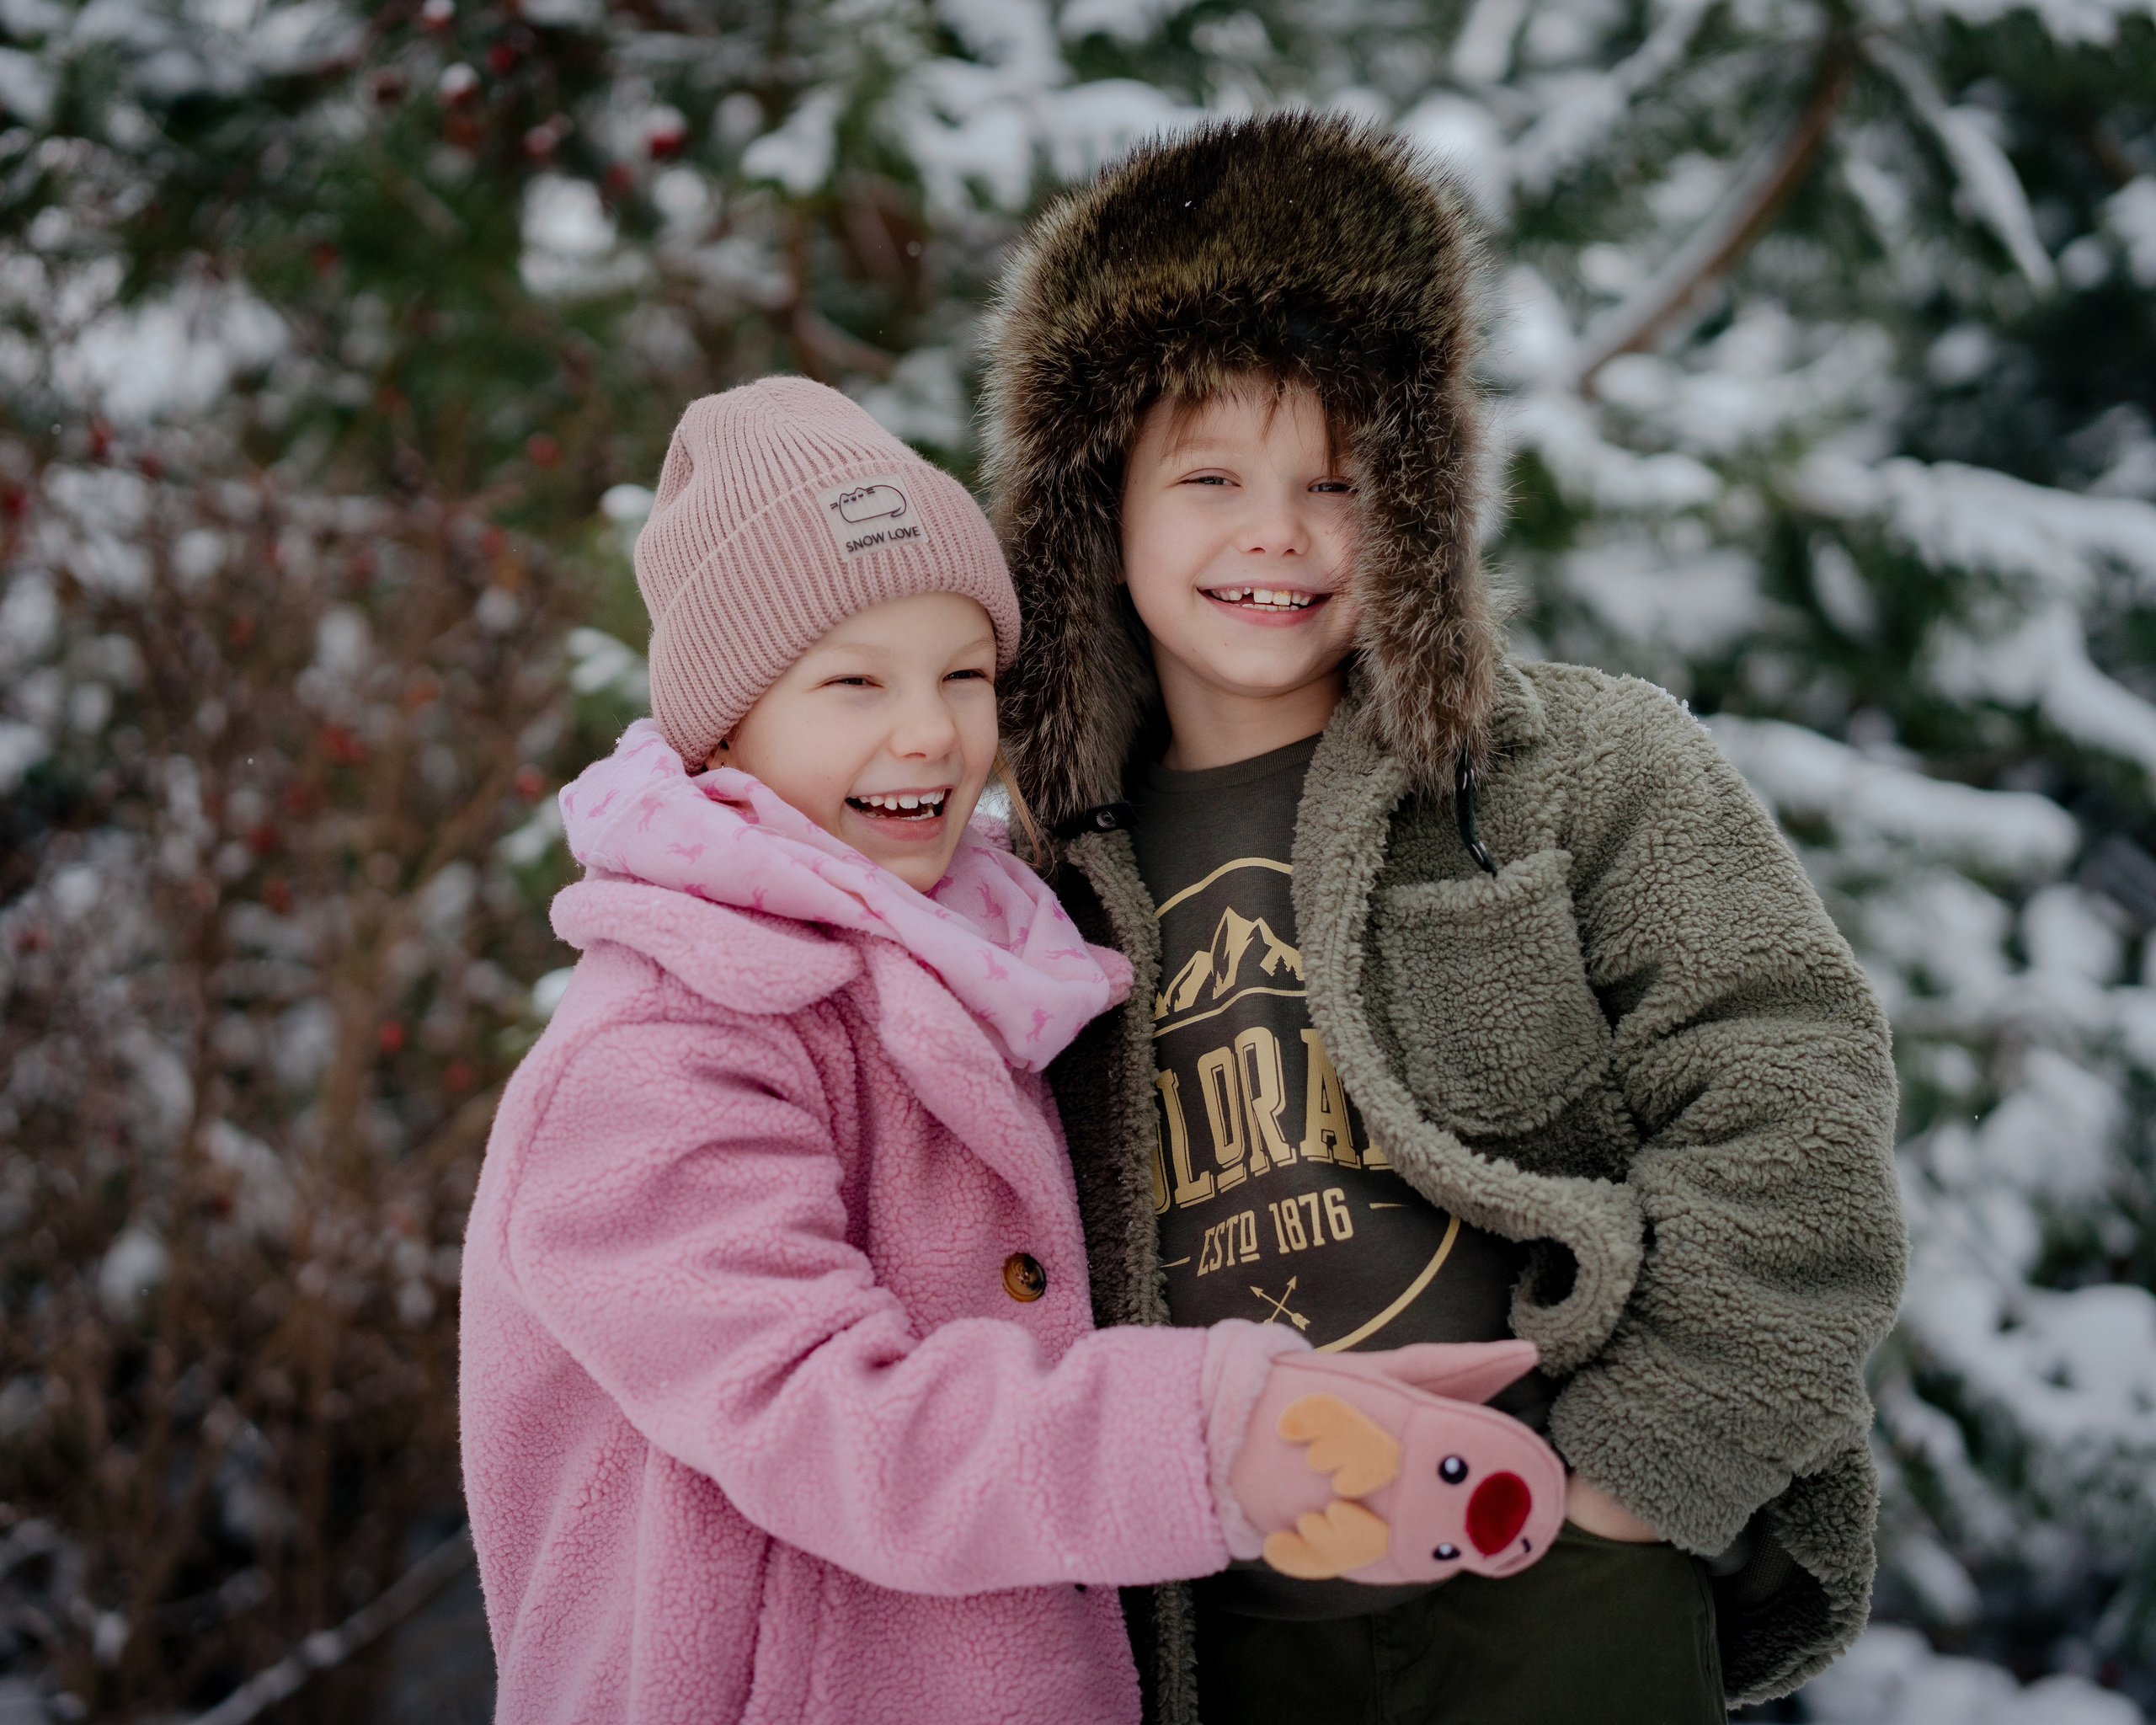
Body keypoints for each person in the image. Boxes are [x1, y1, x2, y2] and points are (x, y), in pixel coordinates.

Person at [458, 377, 1577, 1725]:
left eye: (964, 674)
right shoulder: (659, 1050)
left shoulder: (981, 961)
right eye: (852, 682)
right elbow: (828, 1416)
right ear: (724, 729)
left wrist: (1309, 1403)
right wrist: (1224, 1434)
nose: (930, 731)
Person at [980, 113, 1908, 1724]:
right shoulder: (1036, 889)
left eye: (1337, 480)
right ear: (1094, 512)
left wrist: (1629, 1481)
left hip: (1556, 1581)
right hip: (1222, 1637)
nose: (1276, 532)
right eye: (1210, 477)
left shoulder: (1579, 771)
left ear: (1414, 504)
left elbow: (1795, 1116)